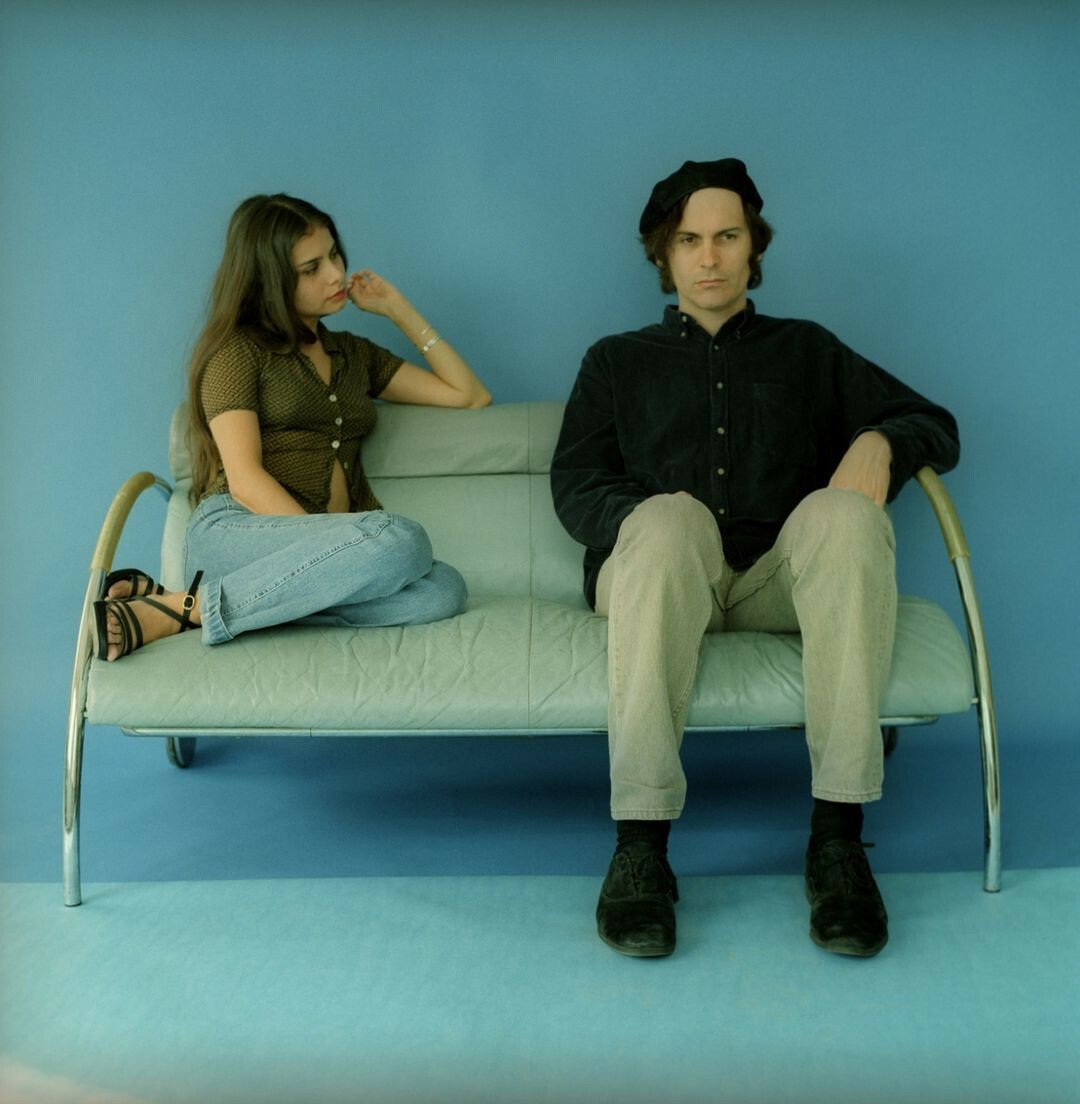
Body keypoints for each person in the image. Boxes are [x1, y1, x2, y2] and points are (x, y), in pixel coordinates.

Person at [550, 158, 959, 959]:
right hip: (663, 577)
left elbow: (934, 422)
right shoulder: (614, 361)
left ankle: (837, 843)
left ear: (752, 246)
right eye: (690, 240)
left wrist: (882, 439)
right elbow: (575, 486)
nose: (710, 257)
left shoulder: (808, 350)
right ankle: (641, 850)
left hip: (777, 583)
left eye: (727, 237)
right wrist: (649, 531)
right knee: (668, 521)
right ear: (663, 256)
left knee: (845, 516)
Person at [93, 193, 491, 661]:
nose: (336, 274)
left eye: (335, 255)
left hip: (325, 554)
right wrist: (327, 551)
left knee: (443, 590)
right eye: (311, 268)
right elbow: (244, 479)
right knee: (402, 539)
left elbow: (469, 395)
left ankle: (196, 604)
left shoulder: (354, 355)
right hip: (240, 534)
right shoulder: (236, 354)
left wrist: (396, 308)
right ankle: (184, 610)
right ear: (269, 281)